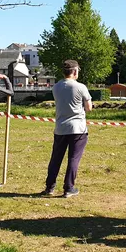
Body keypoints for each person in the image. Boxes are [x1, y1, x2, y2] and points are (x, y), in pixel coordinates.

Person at [41, 60, 92, 198]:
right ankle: (69, 187)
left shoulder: (56, 87)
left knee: (56, 158)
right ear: (75, 71)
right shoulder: (81, 87)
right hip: (77, 129)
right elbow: (89, 108)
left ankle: (49, 187)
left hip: (60, 128)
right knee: (73, 159)